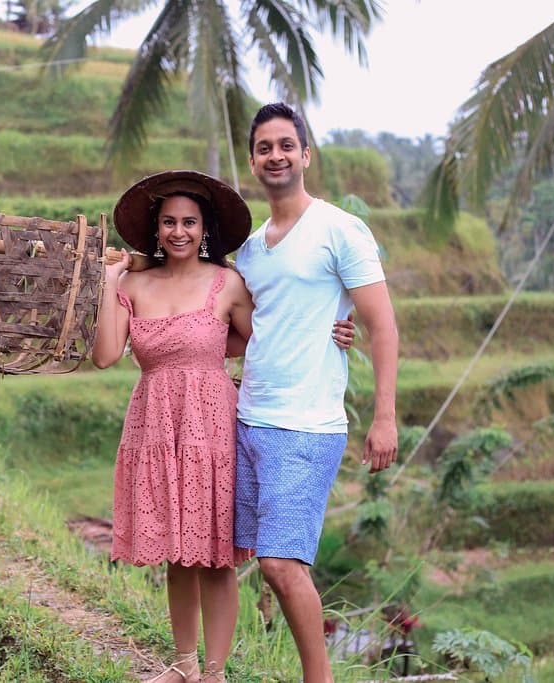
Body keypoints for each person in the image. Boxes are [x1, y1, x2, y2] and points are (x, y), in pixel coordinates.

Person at [92, 170, 356, 683]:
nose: (179, 232)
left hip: (212, 428)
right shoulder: (133, 285)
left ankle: (214, 673)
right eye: (168, 222)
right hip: (155, 424)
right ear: (156, 228)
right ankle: (184, 665)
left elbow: (273, 336)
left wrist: (336, 331)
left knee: (214, 555)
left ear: (204, 228)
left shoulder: (227, 282)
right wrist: (108, 279)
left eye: (189, 222)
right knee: (177, 552)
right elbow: (105, 355)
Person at [232, 102, 400, 683]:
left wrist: (385, 417)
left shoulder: (340, 229)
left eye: (286, 145)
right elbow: (251, 330)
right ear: (252, 161)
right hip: (249, 419)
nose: (275, 155)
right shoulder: (252, 250)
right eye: (263, 147)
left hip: (307, 424)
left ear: (306, 154)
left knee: (281, 563)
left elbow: (382, 324)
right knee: (253, 556)